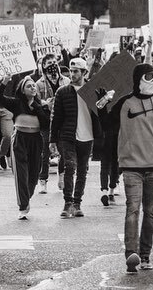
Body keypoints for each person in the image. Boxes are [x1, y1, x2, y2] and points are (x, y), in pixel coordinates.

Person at [112, 62, 153, 275]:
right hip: (131, 166)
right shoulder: (123, 102)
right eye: (150, 76)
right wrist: (103, 106)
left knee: (149, 213)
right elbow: (107, 128)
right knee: (133, 210)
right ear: (139, 78)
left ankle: (146, 254)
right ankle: (132, 254)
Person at [49, 57, 103, 219]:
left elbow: (101, 114)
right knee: (70, 167)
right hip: (68, 136)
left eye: (76, 71)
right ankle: (68, 203)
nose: (72, 74)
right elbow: (56, 117)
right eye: (71, 71)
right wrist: (52, 140)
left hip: (87, 137)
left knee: (82, 170)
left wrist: (104, 101)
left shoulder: (93, 91)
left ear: (84, 72)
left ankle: (77, 203)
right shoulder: (62, 92)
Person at [0, 76, 51, 219]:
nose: (32, 88)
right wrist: (4, 81)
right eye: (28, 86)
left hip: (36, 141)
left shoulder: (42, 105)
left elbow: (46, 124)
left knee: (33, 174)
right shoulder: (16, 103)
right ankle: (23, 206)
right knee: (21, 173)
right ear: (22, 90)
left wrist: (38, 108)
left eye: (33, 86)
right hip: (20, 139)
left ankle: (26, 197)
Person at [35, 53, 69, 194]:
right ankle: (43, 180)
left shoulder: (66, 81)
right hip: (46, 121)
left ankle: (62, 176)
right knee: (45, 152)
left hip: (62, 121)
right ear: (43, 66)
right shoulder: (39, 84)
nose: (52, 65)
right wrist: (45, 103)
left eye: (54, 62)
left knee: (63, 151)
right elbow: (35, 102)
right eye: (48, 62)